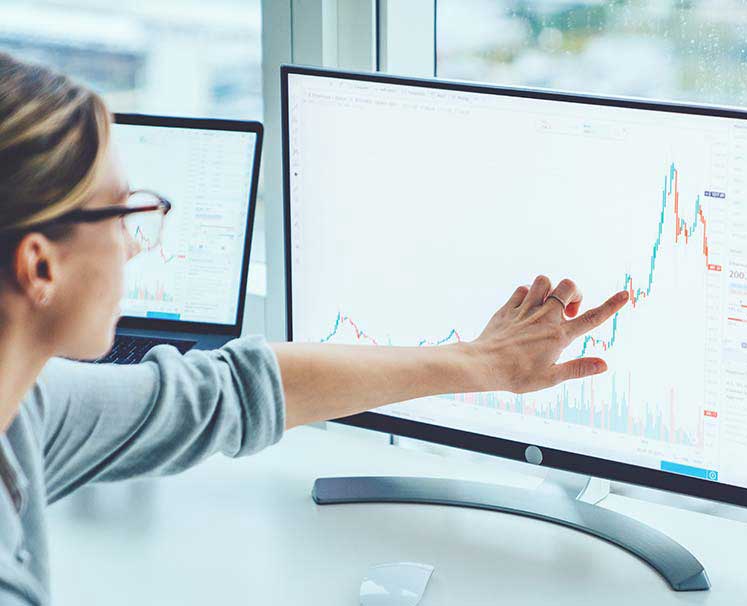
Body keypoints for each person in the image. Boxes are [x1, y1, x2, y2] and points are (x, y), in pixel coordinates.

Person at [0, 52, 628, 606]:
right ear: (39, 265)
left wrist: (482, 362)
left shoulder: (26, 410)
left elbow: (226, 395)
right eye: (123, 215)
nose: (136, 247)